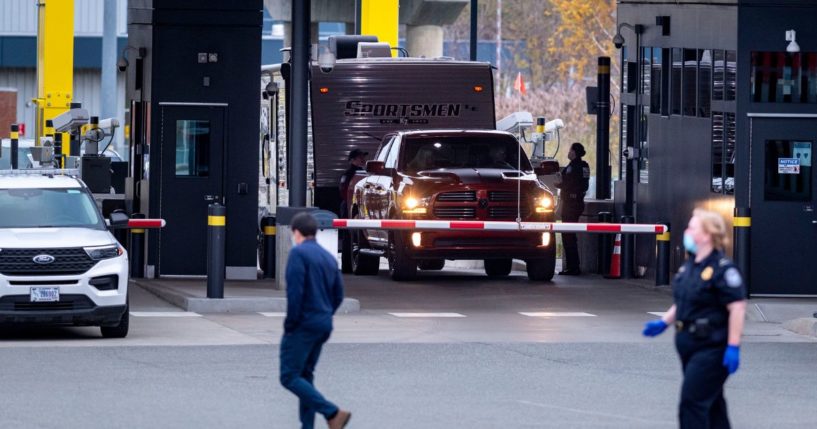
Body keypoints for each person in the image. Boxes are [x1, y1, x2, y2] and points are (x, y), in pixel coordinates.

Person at [642, 208, 747, 429]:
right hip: (688, 343)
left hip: (711, 346)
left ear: (707, 234)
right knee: (713, 403)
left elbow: (737, 307)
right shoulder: (690, 266)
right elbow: (684, 300)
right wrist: (664, 322)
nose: (687, 231)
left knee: (692, 403)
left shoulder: (722, 268)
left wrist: (733, 346)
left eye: (692, 228)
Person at [280, 213, 351, 429]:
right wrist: (326, 314)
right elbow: (339, 294)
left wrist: (290, 324)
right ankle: (307, 426)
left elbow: (295, 294)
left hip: (303, 324)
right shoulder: (328, 257)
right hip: (323, 324)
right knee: (305, 375)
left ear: (296, 232)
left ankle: (332, 412)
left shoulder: (298, 254)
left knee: (289, 376)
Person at [555, 142, 589, 275]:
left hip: (570, 204)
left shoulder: (572, 167)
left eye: (570, 150)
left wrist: (559, 184)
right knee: (570, 235)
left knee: (568, 236)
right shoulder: (584, 166)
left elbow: (568, 184)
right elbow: (583, 184)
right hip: (578, 203)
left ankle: (573, 267)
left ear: (574, 152)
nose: (568, 152)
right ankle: (573, 266)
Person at [339, 148, 368, 218]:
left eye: (363, 157)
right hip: (352, 205)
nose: (363, 159)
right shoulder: (349, 174)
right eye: (360, 157)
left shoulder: (365, 173)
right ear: (352, 160)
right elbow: (343, 190)